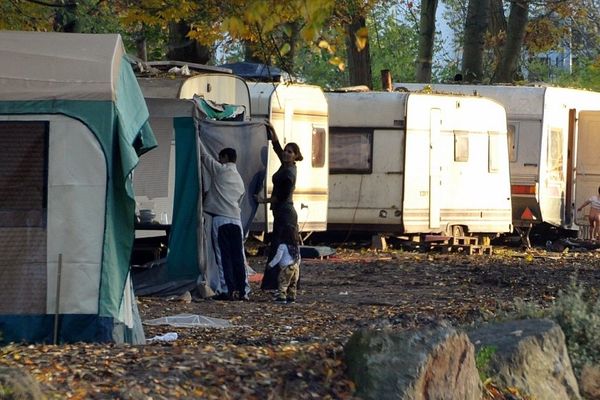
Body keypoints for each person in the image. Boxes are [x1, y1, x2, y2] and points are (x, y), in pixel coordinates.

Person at [254, 123, 303, 289]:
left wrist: (263, 200)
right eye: (286, 151)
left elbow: (281, 197)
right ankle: (278, 283)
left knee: (284, 248)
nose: (286, 153)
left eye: (290, 152)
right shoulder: (286, 165)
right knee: (280, 247)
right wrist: (273, 130)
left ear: (296, 156)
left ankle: (284, 283)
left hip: (286, 213)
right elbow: (277, 147)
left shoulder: (289, 173)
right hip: (280, 214)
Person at [199, 142, 249, 300]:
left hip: (220, 219)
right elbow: (239, 200)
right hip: (236, 220)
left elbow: (204, 157)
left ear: (225, 158)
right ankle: (243, 290)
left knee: (223, 256)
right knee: (239, 257)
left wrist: (197, 135)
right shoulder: (240, 181)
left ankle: (227, 289)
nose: (218, 160)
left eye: (220, 157)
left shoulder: (220, 170)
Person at [267, 224, 301, 304]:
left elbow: (277, 258)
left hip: (286, 268)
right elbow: (299, 257)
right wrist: (297, 265)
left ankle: (281, 297)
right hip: (295, 267)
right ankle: (291, 297)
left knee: (283, 282)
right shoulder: (296, 246)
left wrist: (270, 265)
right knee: (293, 283)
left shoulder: (282, 246)